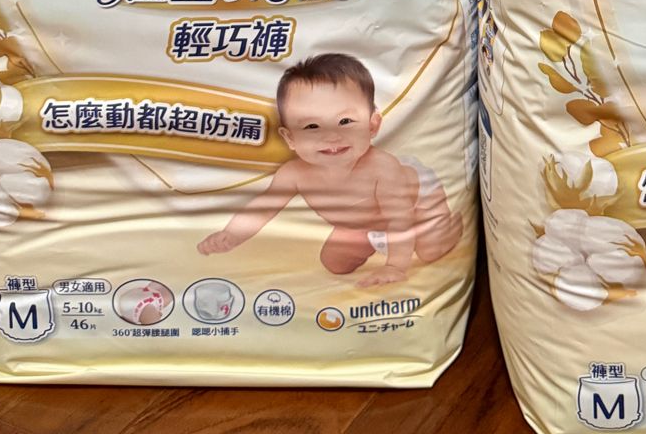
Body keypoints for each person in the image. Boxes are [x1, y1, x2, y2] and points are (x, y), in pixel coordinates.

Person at [198, 53, 462, 287]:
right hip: (362, 221)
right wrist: (230, 235)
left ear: (372, 125)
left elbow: (399, 219)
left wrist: (395, 266)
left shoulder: (383, 168)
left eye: (345, 121)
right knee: (335, 263)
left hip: (416, 202)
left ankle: (453, 224)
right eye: (312, 126)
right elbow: (263, 208)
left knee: (431, 250)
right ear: (290, 138)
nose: (331, 136)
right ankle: (367, 237)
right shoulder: (293, 174)